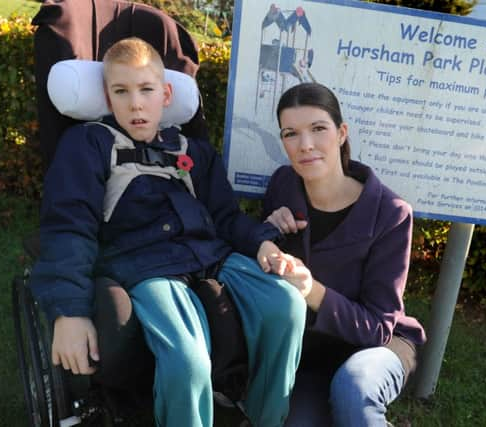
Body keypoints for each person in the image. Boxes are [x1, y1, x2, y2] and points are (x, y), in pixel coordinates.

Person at [29, 37, 306, 427]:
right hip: (146, 266)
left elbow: (226, 216)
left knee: (288, 306)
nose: (136, 104)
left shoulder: (193, 151)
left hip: (213, 256)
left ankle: (263, 417)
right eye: (121, 92)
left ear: (166, 94)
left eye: (146, 90)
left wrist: (262, 243)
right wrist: (68, 312)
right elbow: (68, 226)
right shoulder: (89, 143)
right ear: (108, 100)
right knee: (188, 360)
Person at [262, 82, 427, 427]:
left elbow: (379, 327)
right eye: (291, 133)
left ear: (341, 133)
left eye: (318, 129)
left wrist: (311, 291)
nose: (305, 145)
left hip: (379, 344)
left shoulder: (391, 213)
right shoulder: (283, 185)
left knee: (353, 389)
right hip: (314, 352)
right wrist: (267, 230)